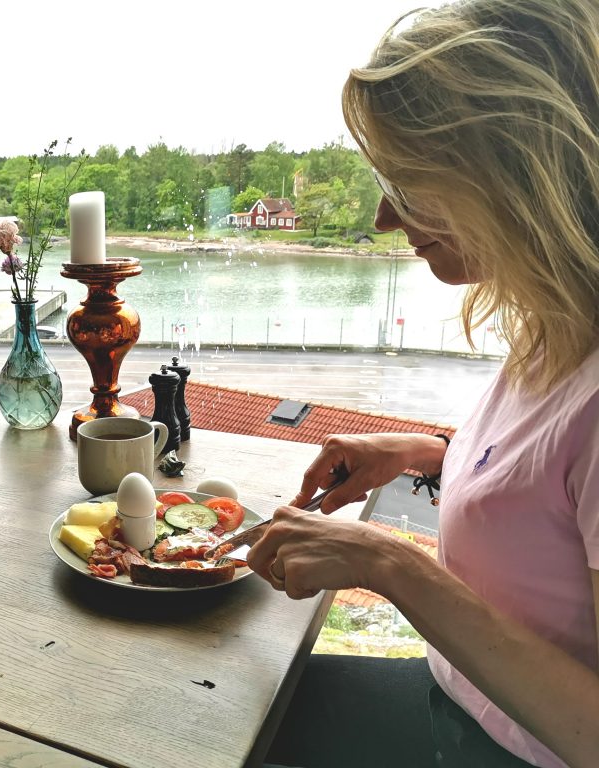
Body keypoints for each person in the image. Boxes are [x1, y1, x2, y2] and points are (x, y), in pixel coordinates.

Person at [250, 2, 599, 767]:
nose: (381, 217)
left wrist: (387, 562)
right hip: (457, 698)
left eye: (406, 183)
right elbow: (554, 493)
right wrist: (426, 453)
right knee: (223, 710)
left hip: (507, 749)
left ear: (515, 173)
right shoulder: (560, 327)